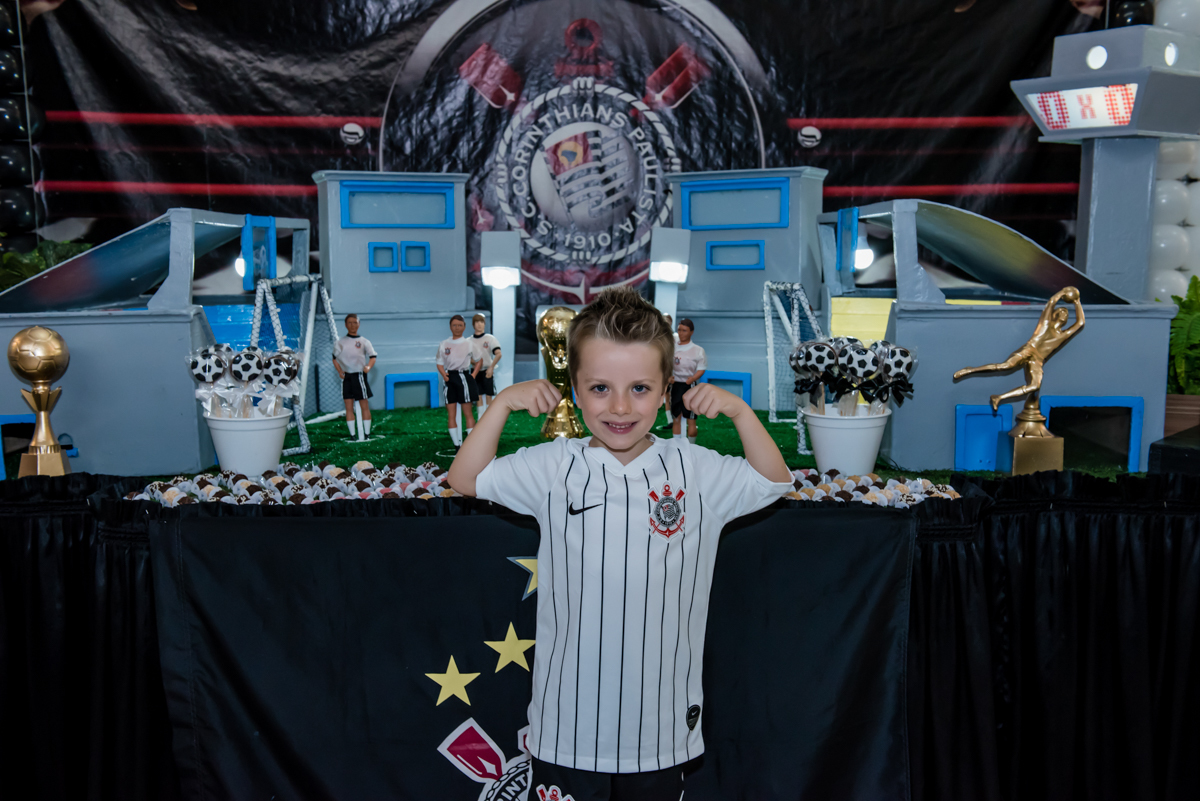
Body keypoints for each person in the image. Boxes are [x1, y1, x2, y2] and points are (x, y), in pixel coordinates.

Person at [448, 287, 791, 801]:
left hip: (659, 729)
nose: (621, 407)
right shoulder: (555, 465)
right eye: (600, 388)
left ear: (666, 389)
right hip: (566, 724)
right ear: (575, 388)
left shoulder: (694, 469)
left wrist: (741, 413)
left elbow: (772, 481)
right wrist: (500, 405)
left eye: (640, 388)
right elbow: (465, 478)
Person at [436, 314, 480, 449]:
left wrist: (473, 374)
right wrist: (444, 375)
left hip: (463, 377)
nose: (457, 328)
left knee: (468, 412)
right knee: (451, 413)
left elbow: (479, 360)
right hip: (450, 378)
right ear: (450, 327)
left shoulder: (469, 344)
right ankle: (456, 445)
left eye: (460, 325)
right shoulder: (444, 344)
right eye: (454, 325)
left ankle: (470, 445)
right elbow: (439, 362)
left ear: (464, 327)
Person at [333, 313, 376, 439]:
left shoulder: (364, 341)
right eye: (350, 323)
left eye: (355, 323)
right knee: (348, 406)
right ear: (346, 325)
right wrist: (339, 370)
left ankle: (367, 433)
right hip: (347, 377)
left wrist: (368, 367)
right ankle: (352, 434)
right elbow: (334, 358)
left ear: (359, 324)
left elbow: (373, 356)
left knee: (364, 405)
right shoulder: (340, 342)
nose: (352, 325)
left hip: (359, 375)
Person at [670, 318, 706, 444]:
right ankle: (676, 445)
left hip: (689, 386)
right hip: (676, 385)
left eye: (684, 330)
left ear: (691, 332)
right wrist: (669, 376)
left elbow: (701, 369)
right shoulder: (672, 348)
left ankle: (691, 446)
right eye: (679, 330)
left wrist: (693, 378)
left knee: (691, 419)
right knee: (676, 417)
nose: (681, 333)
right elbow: (667, 365)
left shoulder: (698, 350)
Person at [470, 313, 502, 415]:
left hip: (487, 370)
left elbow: (498, 354)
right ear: (473, 324)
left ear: (484, 324)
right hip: (475, 371)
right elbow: (465, 357)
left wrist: (491, 367)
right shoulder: (468, 341)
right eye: (477, 322)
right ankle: (480, 419)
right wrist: (474, 362)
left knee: (489, 395)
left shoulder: (490, 339)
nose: (479, 324)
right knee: (478, 396)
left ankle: (489, 418)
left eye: (481, 322)